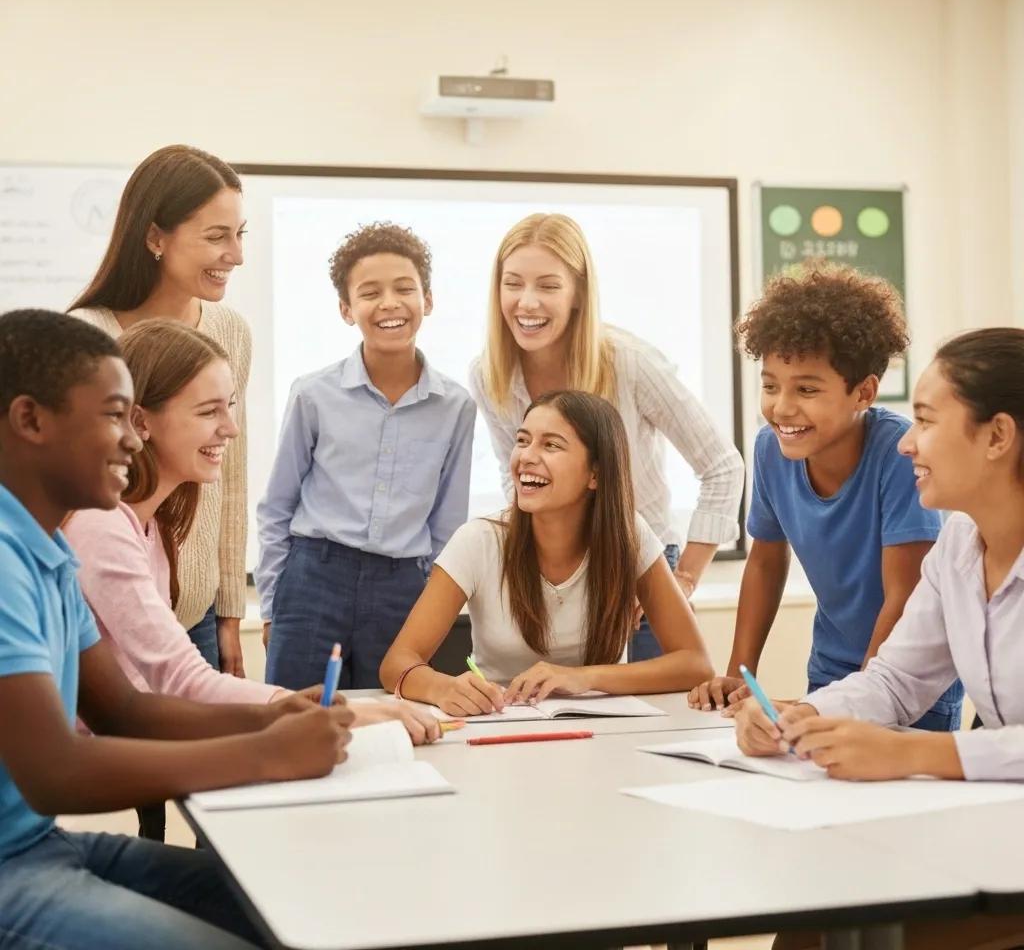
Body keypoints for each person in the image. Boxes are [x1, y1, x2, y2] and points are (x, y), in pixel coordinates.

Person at [0, 309, 352, 950]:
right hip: (9, 872)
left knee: (293, 907)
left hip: (37, 845)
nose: (132, 442)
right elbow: (52, 771)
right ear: (31, 421)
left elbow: (126, 710)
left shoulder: (48, 550)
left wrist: (276, 718)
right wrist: (266, 753)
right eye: (112, 415)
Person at [63, 319, 439, 841]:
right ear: (142, 421)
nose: (231, 429)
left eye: (230, 406)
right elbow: (182, 683)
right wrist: (341, 712)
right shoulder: (102, 527)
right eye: (208, 411)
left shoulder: (149, 525)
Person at [736, 327, 1024, 950]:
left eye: (925, 421)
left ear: (997, 436)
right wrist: (804, 715)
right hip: (1002, 829)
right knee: (818, 910)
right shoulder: (958, 547)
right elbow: (897, 678)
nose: (907, 443)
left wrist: (912, 754)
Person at [689, 264, 963, 732]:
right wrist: (739, 671)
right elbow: (765, 561)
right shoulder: (770, 449)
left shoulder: (898, 455)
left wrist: (862, 700)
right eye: (770, 384)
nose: (782, 407)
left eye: (807, 389)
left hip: (909, 682)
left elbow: (903, 594)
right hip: (829, 671)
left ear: (864, 392)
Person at [470, 212, 744, 662]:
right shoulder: (489, 375)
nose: (527, 302)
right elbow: (513, 479)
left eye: (548, 285)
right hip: (558, 573)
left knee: (657, 717)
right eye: (513, 283)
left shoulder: (629, 363)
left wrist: (685, 578)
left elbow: (722, 466)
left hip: (644, 570)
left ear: (578, 292)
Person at [380, 390, 714, 714]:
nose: (526, 456)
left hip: (605, 736)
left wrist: (581, 677)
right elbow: (398, 662)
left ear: (595, 474)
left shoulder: (629, 535)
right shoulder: (478, 540)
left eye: (551, 445)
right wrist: (441, 688)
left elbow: (695, 663)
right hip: (501, 729)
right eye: (523, 441)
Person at [257, 222, 476, 689]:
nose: (389, 303)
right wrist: (274, 604)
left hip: (402, 590)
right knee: (295, 721)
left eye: (404, 289)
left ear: (428, 300)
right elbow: (276, 507)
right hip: (313, 579)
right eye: (370, 292)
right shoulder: (313, 394)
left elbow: (448, 529)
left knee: (394, 722)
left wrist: (432, 617)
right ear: (346, 308)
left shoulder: (456, 406)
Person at [69, 144, 251, 676]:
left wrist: (230, 614)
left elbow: (231, 479)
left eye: (240, 235)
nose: (236, 255)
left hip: (194, 611)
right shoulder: (87, 338)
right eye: (217, 236)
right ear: (154, 237)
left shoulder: (230, 332)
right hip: (107, 603)